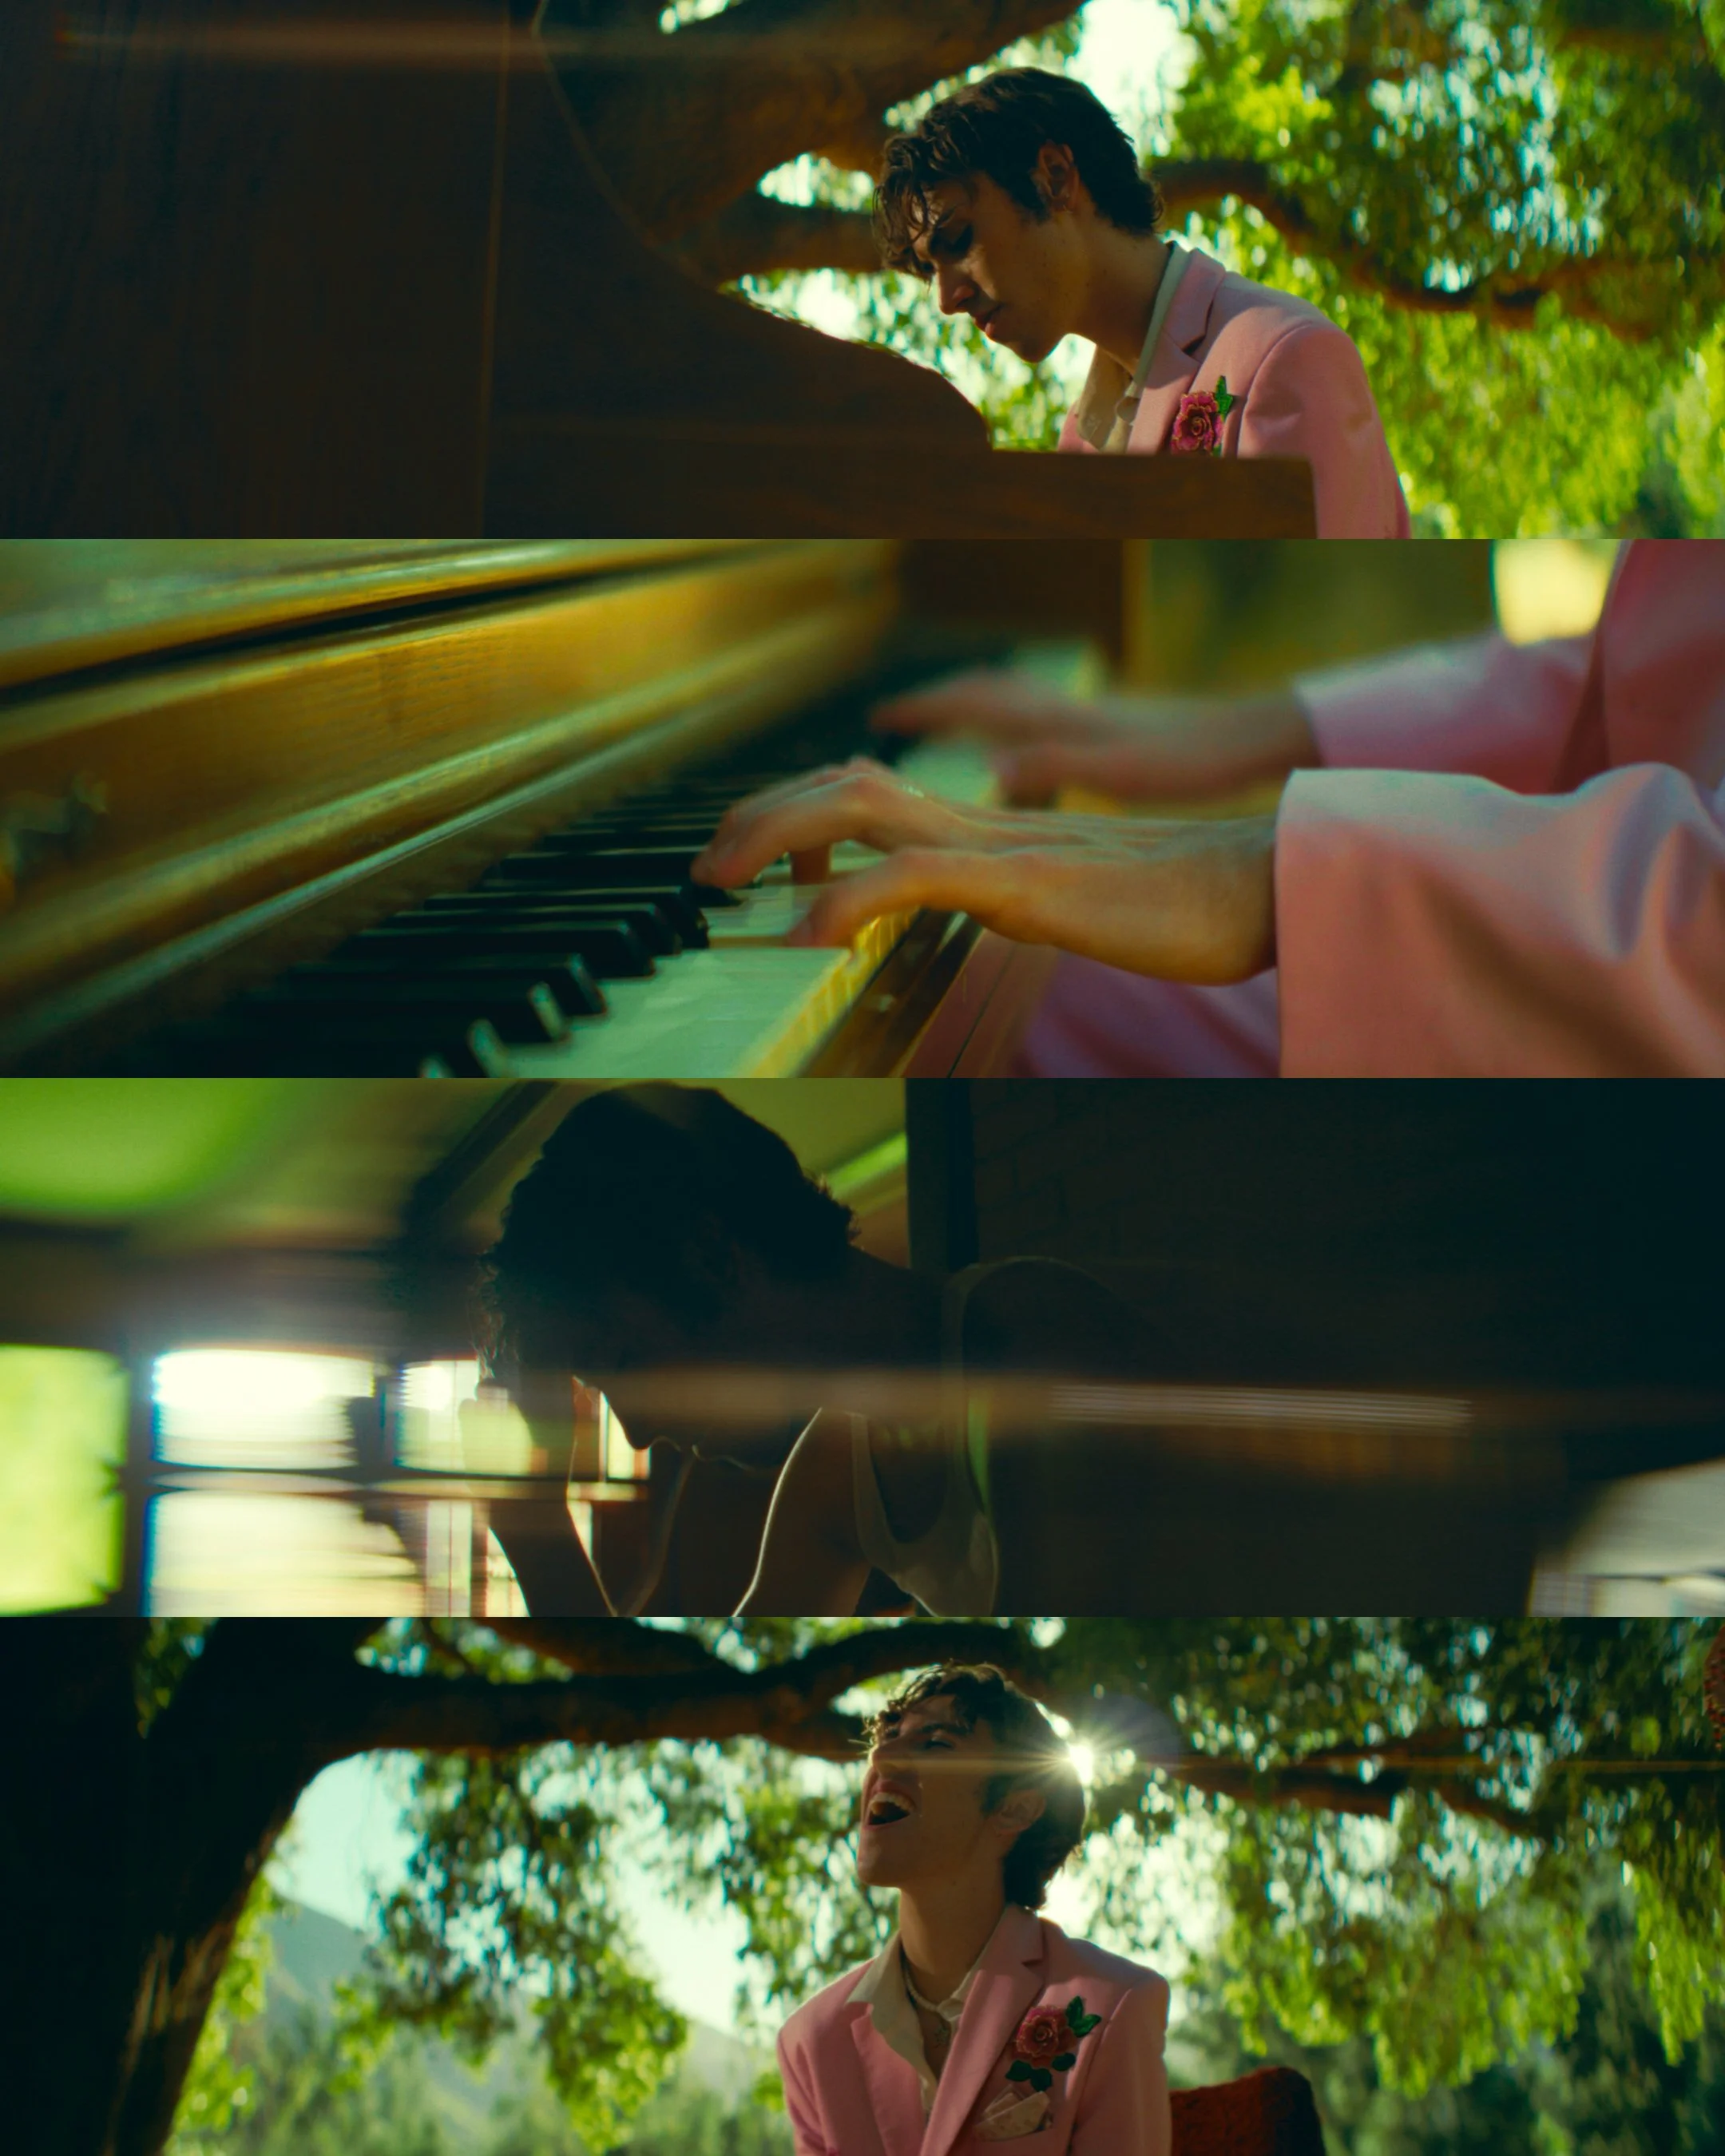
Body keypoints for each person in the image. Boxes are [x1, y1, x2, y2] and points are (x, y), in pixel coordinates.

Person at [688, 539, 1725, 1077]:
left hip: (1642, 996)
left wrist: (1264, 872)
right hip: (1596, 915)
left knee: (987, 975)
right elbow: (1647, 658)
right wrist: (1260, 728)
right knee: (997, 974)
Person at [478, 1084, 1155, 1618]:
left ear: (713, 1256)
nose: (636, 1432)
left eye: (627, 1365)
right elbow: (712, 1729)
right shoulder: (835, 1470)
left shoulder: (1028, 1342)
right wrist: (534, 1526)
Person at [874, 68, 1410, 540]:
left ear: (1055, 178)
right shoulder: (1081, 441)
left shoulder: (1285, 358)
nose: (946, 298)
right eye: (930, 270)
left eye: (959, 240)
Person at [777, 1663, 1171, 2156]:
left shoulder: (1113, 2008)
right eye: (889, 1734)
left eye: (936, 1743)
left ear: (1015, 1810)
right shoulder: (811, 2044)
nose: (883, 1757)